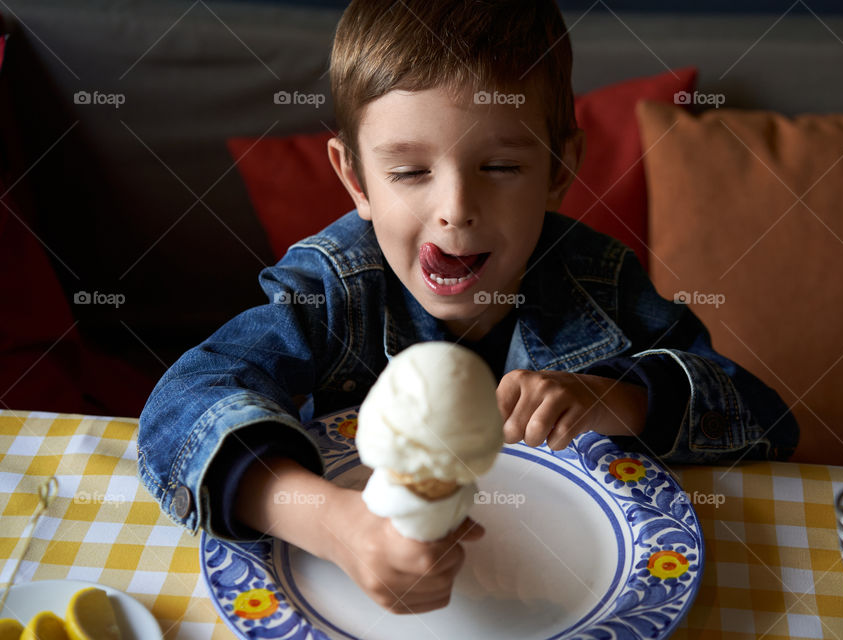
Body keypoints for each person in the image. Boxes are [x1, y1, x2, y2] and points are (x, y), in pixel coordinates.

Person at [137, 0, 798, 615]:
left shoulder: (598, 282)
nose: (456, 208)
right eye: (409, 172)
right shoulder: (335, 291)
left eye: (501, 167)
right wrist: (336, 526)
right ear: (355, 178)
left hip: (554, 580)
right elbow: (180, 409)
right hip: (342, 590)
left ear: (560, 169)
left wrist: (617, 397)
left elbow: (764, 421)